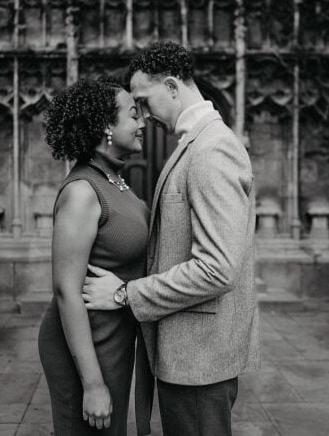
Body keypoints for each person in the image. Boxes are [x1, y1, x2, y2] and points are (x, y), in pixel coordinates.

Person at [83, 42, 260, 436]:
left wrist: (125, 294)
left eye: (144, 101)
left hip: (199, 357)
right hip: (191, 351)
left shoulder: (212, 150)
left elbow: (217, 270)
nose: (143, 116)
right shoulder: (197, 144)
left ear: (172, 86)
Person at [38, 76, 149, 435]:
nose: (143, 122)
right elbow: (66, 290)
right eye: (133, 114)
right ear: (106, 126)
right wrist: (93, 384)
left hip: (114, 336)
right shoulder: (83, 191)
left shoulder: (116, 180)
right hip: (88, 343)